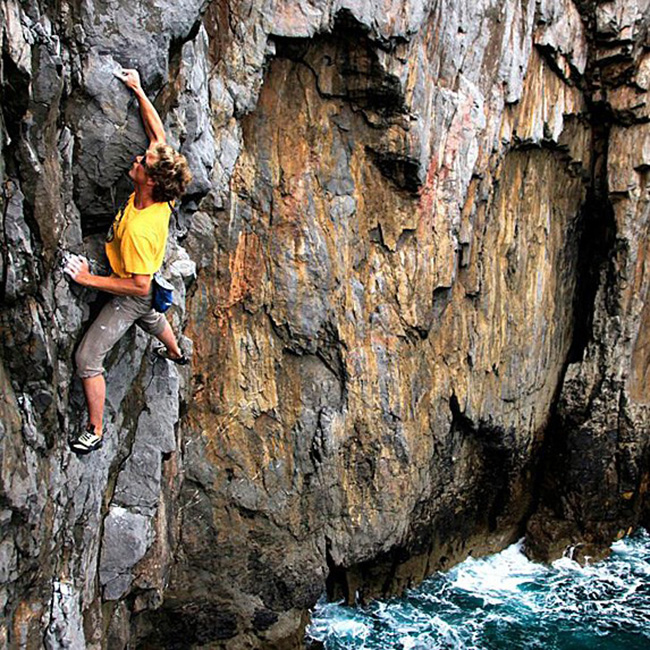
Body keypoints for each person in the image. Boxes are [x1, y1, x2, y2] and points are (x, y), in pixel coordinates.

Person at [65, 68, 192, 454]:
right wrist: (138, 90)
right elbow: (158, 136)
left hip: (134, 287)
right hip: (147, 278)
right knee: (152, 316)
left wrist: (87, 280)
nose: (137, 158)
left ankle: (96, 429)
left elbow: (136, 286)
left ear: (150, 181)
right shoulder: (163, 192)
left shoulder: (141, 229)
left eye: (142, 164)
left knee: (88, 357)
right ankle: (175, 352)